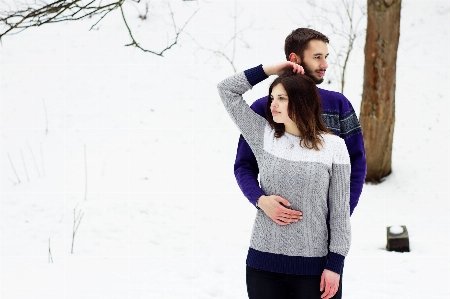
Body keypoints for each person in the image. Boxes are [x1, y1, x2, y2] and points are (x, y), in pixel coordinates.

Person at [233, 28, 367, 298]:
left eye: (326, 56)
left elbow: (356, 166)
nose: (324, 64)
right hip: (269, 250)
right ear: (295, 58)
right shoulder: (266, 108)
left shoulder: (339, 106)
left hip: (319, 247)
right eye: (317, 57)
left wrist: (331, 223)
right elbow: (244, 166)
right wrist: (260, 199)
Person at [217, 62, 351, 299]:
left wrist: (335, 265)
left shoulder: (334, 147)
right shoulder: (263, 135)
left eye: (281, 98)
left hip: (315, 268)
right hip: (264, 266)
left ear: (301, 102)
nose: (273, 105)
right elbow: (226, 89)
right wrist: (270, 70)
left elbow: (340, 213)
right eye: (272, 98)